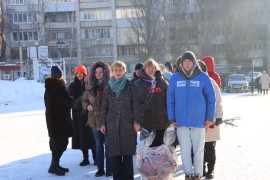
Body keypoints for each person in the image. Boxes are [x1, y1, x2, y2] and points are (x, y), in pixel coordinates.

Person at [167, 51, 216, 180]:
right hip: (181, 122)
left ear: (194, 62)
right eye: (185, 61)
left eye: (189, 61)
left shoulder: (203, 77)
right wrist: (171, 118)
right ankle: (188, 174)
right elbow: (170, 99)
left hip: (199, 121)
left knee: (199, 150)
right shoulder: (175, 77)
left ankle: (198, 174)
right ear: (181, 63)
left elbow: (211, 98)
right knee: (185, 150)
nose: (187, 64)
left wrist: (209, 117)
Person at [100, 61, 141, 180]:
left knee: (127, 156)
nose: (118, 73)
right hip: (111, 125)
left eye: (120, 70)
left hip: (127, 125)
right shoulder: (108, 86)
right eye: (115, 70)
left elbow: (136, 105)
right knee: (114, 156)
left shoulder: (129, 85)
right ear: (112, 71)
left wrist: (136, 121)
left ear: (124, 71)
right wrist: (102, 123)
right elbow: (104, 106)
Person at [82, 61, 112, 177]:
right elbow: (84, 100)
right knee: (99, 146)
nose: (98, 74)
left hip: (107, 120)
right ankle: (100, 169)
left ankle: (109, 168)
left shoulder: (110, 85)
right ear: (93, 73)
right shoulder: (89, 87)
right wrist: (87, 106)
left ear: (104, 73)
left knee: (108, 146)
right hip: (94, 121)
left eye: (101, 72)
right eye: (96, 72)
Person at [44, 66, 74, 176]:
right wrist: (73, 98)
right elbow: (68, 102)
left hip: (52, 120)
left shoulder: (48, 88)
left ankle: (55, 164)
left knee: (55, 143)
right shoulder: (59, 87)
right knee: (62, 142)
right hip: (60, 120)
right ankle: (53, 166)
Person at [134, 59, 170, 147]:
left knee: (162, 150)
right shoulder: (138, 84)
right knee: (150, 151)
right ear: (144, 69)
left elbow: (170, 101)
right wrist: (137, 121)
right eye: (148, 68)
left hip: (162, 122)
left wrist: (172, 119)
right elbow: (136, 104)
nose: (151, 70)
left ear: (156, 69)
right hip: (147, 122)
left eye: (153, 68)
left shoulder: (163, 83)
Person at [67, 65, 97, 167]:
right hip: (78, 116)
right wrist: (76, 104)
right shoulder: (71, 86)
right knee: (82, 138)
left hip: (90, 115)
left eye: (82, 73)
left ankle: (96, 158)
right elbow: (69, 101)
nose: (80, 75)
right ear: (75, 74)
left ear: (85, 74)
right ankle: (85, 158)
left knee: (92, 137)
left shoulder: (90, 84)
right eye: (78, 73)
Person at [198, 60, 223, 179]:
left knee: (210, 146)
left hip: (211, 120)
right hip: (197, 121)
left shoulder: (211, 82)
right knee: (198, 147)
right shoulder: (192, 82)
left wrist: (219, 116)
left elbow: (218, 101)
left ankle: (210, 170)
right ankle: (201, 169)